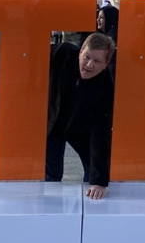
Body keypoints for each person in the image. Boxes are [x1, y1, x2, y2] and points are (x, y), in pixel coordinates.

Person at [46, 33, 116, 200]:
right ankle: (51, 208)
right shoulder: (63, 52)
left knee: (93, 174)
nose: (89, 65)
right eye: (87, 57)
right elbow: (32, 52)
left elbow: (101, 132)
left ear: (106, 63)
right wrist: (9, 49)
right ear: (80, 52)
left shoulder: (106, 87)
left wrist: (99, 182)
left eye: (97, 61)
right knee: (50, 177)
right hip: (53, 121)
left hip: (82, 129)